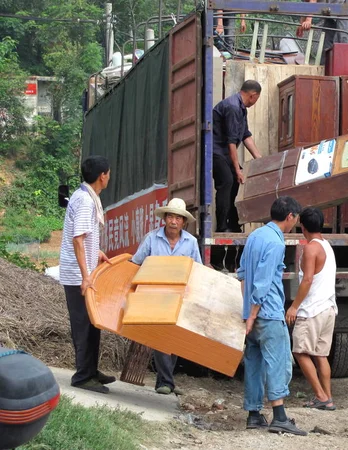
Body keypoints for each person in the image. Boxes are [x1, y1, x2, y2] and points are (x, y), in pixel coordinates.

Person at [237, 196, 307, 436]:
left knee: (254, 364)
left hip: (253, 314)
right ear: (290, 217)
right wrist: (253, 314)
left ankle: (254, 415)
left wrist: (247, 311)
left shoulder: (255, 236)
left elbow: (243, 274)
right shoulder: (276, 244)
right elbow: (264, 282)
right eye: (296, 219)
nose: (295, 223)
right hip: (267, 313)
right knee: (278, 364)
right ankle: (279, 417)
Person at [131, 198, 202, 395]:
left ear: (183, 222)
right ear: (164, 218)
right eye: (170, 216)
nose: (173, 221)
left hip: (179, 297)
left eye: (178, 218)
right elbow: (135, 264)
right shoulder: (151, 239)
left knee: (175, 339)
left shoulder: (191, 242)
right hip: (154, 297)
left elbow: (197, 270)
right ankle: (167, 382)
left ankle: (164, 381)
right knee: (161, 339)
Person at [59, 155, 114, 394]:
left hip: (86, 271)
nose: (109, 177)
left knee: (93, 323)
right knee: (82, 325)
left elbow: (84, 237)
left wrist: (97, 251)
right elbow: (77, 239)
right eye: (108, 173)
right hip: (78, 276)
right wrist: (85, 276)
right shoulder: (85, 201)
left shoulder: (86, 197)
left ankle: (91, 370)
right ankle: (82, 375)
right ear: (102, 176)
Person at [285, 207, 337, 411]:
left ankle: (320, 395)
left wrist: (294, 306)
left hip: (312, 309)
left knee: (299, 351)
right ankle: (328, 397)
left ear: (302, 227)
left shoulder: (310, 248)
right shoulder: (327, 245)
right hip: (328, 307)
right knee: (320, 354)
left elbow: (307, 280)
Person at [212, 80, 263, 233]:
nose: (255, 102)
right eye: (257, 99)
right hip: (216, 152)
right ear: (253, 96)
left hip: (226, 152)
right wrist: (237, 170)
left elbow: (245, 136)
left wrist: (259, 159)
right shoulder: (233, 107)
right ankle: (222, 226)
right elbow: (231, 142)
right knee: (227, 181)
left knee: (238, 183)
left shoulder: (241, 109)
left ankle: (234, 224)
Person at [296, 0, 348, 65]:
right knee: (327, 43)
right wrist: (301, 24)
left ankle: (347, 66)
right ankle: (325, 68)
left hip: (342, 6)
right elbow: (307, 5)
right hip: (329, 11)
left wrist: (308, 20)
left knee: (343, 37)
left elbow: (312, 1)